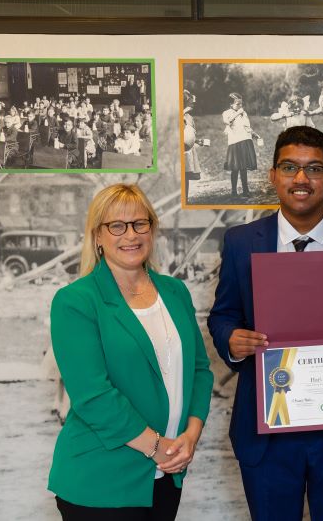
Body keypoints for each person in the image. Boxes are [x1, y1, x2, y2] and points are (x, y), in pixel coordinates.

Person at [208, 126, 323, 521]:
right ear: (272, 175)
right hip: (266, 431)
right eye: (290, 167)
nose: (301, 179)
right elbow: (223, 315)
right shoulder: (240, 242)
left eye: (314, 169)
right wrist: (231, 339)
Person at [48, 183, 213, 520]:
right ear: (97, 236)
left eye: (140, 223)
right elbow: (93, 396)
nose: (131, 235)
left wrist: (190, 436)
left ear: (152, 229)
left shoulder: (175, 291)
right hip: (100, 481)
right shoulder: (76, 302)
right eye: (117, 226)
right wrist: (157, 446)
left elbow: (199, 370)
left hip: (167, 473)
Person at [222, 92, 258, 198]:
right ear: (231, 104)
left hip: (245, 140)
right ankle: (233, 191)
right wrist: (238, 113)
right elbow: (227, 122)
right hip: (235, 142)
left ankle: (245, 190)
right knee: (235, 167)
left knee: (243, 167)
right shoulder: (226, 113)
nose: (240, 106)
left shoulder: (244, 113)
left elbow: (247, 126)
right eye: (237, 104)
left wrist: (254, 134)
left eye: (241, 104)